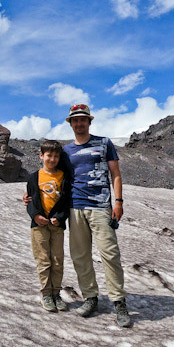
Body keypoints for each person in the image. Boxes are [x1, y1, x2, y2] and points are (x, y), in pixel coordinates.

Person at [62, 104, 130, 327]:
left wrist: (118, 202)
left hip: (101, 207)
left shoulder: (104, 143)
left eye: (83, 120)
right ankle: (90, 298)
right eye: (75, 120)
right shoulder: (66, 151)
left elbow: (116, 174)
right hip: (75, 207)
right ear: (70, 124)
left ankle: (119, 302)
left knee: (110, 254)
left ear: (89, 122)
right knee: (80, 255)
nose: (79, 123)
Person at [26, 140, 71, 313]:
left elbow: (67, 201)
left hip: (57, 226)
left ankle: (56, 294)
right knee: (43, 260)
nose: (52, 159)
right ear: (41, 156)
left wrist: (60, 218)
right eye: (49, 155)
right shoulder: (33, 177)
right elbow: (29, 201)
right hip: (38, 226)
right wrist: (36, 216)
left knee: (57, 261)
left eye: (56, 156)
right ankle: (46, 294)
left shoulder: (63, 176)